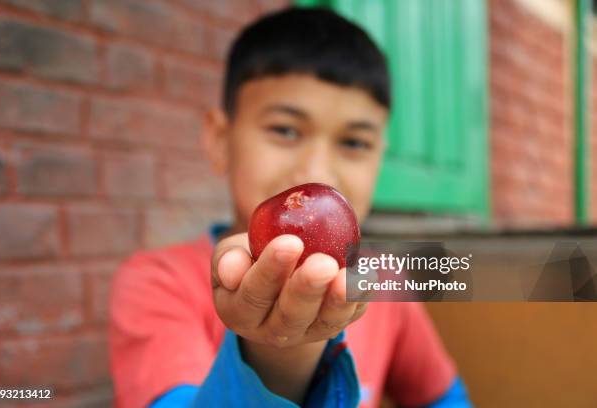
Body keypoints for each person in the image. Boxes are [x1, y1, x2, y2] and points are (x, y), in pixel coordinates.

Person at [109, 7, 471, 408]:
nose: (316, 173)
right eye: (285, 130)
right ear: (219, 140)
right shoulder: (158, 283)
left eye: (354, 143)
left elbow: (445, 398)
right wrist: (275, 352)